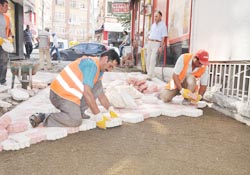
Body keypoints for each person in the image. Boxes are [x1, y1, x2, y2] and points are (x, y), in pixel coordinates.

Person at [29, 49, 120, 129]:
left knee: (97, 86)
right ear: (105, 59)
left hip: (71, 96)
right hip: (59, 95)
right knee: (75, 121)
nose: (110, 70)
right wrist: (98, 116)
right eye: (110, 66)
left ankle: (78, 112)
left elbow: (101, 94)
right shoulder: (91, 65)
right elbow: (87, 93)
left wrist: (110, 109)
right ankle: (43, 117)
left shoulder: (100, 71)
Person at [146, 10, 167, 80]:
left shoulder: (163, 26)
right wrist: (147, 38)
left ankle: (150, 75)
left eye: (156, 16)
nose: (155, 18)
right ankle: (149, 73)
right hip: (150, 42)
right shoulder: (153, 25)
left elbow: (163, 37)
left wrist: (161, 46)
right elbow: (150, 33)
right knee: (148, 59)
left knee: (152, 59)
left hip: (156, 43)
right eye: (154, 16)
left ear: (160, 17)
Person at [0, 0, 12, 85]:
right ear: (0, 5)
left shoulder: (7, 17)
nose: (8, 8)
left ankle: (2, 80)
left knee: (4, 61)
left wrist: (10, 38)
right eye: (6, 6)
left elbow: (10, 30)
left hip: (4, 43)